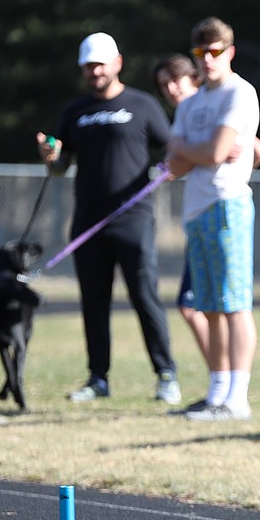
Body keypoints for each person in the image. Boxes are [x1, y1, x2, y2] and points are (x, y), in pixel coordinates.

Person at [36, 32, 181, 406]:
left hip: (133, 220)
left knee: (145, 298)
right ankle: (98, 378)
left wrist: (170, 166)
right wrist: (51, 158)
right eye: (89, 66)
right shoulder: (75, 112)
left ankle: (166, 375)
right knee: (94, 303)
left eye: (101, 64)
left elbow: (171, 148)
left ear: (117, 63)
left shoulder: (144, 105)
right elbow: (60, 167)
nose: (95, 71)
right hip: (87, 223)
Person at [152, 54, 260, 413]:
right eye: (164, 85)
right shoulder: (190, 111)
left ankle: (237, 398)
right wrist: (202, 153)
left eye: (178, 80)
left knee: (231, 304)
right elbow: (178, 161)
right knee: (205, 306)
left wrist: (205, 152)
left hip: (225, 203)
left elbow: (249, 150)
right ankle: (217, 392)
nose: (172, 90)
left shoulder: (230, 98)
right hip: (196, 210)